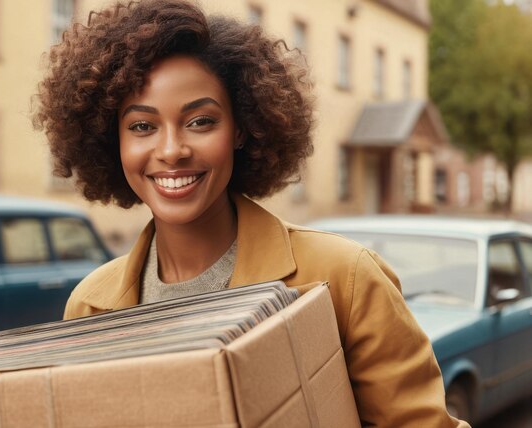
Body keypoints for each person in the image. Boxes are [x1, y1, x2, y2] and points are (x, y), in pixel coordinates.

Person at [34, 0, 469, 426]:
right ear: (114, 142)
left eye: (200, 121)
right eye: (142, 126)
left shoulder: (345, 279)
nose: (171, 150)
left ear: (240, 129)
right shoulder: (89, 307)